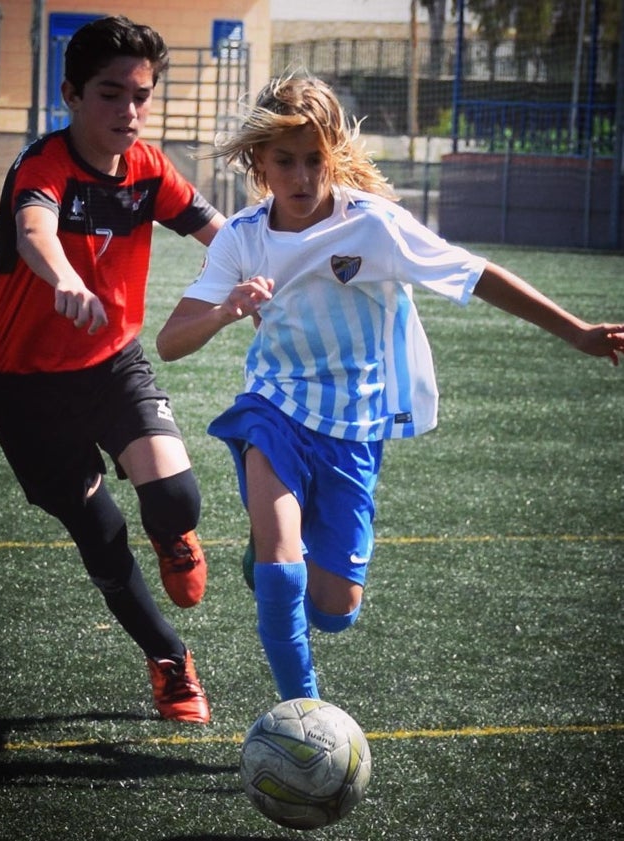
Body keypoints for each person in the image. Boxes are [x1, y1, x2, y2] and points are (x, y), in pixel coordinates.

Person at [155, 73, 624, 703]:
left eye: (314, 160)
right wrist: (224, 312)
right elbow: (170, 340)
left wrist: (577, 333)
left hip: (354, 427)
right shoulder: (243, 235)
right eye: (285, 162)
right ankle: (303, 716)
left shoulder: (375, 226)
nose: (301, 177)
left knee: (334, 609)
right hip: (274, 412)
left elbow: (479, 275)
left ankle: (273, 559)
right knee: (281, 571)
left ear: (334, 156)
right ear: (258, 163)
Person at [0, 16, 226, 723]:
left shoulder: (149, 168)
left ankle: (173, 534)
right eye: (110, 94)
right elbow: (34, 228)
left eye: (140, 96)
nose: (128, 111)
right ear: (71, 94)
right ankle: (170, 663)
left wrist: (274, 264)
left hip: (111, 363)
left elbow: (219, 231)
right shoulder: (43, 165)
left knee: (176, 499)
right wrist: (61, 274)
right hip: (27, 388)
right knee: (103, 534)